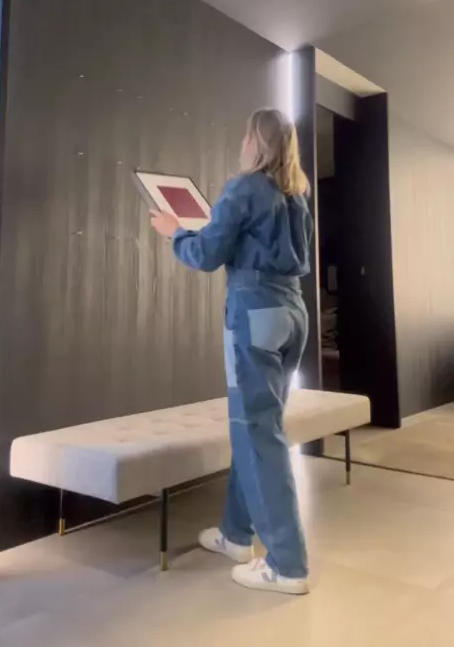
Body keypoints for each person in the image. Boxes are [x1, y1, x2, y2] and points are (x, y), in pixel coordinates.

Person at [150, 108, 313, 595]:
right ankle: (236, 535)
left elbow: (205, 254)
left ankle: (287, 566)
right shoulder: (296, 193)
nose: (241, 143)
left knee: (258, 434)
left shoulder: (242, 187)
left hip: (256, 312)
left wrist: (174, 230)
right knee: (259, 428)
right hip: (293, 314)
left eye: (245, 136)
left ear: (254, 142)